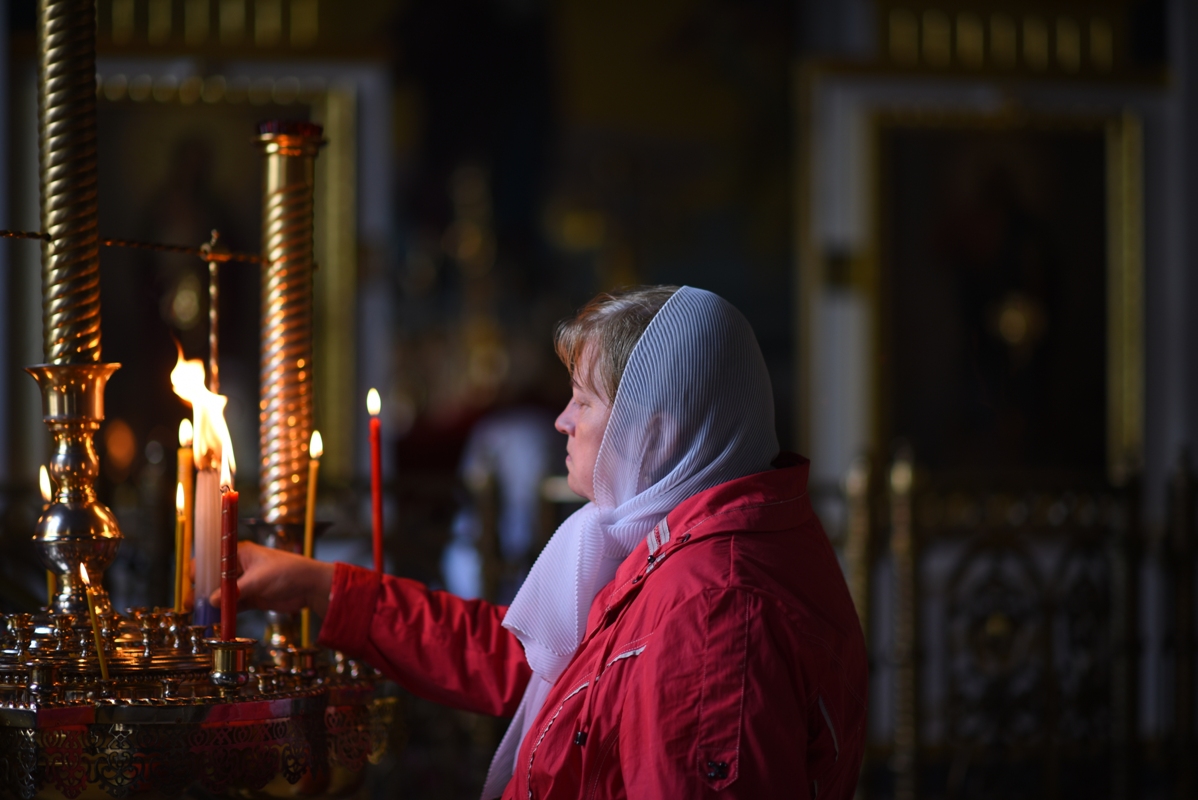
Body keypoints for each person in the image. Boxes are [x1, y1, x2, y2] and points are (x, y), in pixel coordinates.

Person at [222, 286, 867, 799]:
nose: (562, 420)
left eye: (583, 402)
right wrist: (320, 586)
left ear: (657, 434)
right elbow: (532, 664)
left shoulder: (714, 606)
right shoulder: (669, 542)